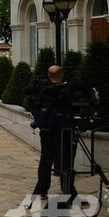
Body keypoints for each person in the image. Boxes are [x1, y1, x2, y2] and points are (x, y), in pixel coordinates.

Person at [25, 65, 69, 199]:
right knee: (66, 162)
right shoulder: (67, 90)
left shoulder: (42, 90)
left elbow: (32, 103)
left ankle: (42, 191)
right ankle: (67, 191)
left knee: (45, 160)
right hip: (65, 129)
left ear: (49, 76)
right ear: (62, 75)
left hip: (46, 130)